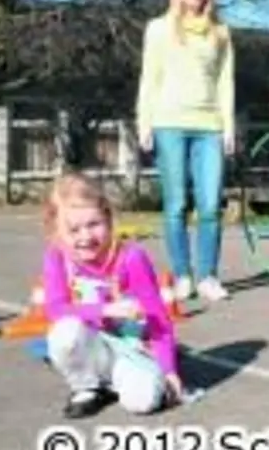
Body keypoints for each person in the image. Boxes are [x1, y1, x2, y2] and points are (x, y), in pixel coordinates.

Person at [39, 172, 187, 418]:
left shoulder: (131, 257)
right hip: (93, 344)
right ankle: (86, 386)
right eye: (74, 229)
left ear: (108, 219)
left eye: (94, 224)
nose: (86, 236)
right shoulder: (57, 256)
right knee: (64, 333)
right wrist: (105, 310)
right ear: (57, 231)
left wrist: (169, 371)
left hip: (130, 347)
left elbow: (158, 317)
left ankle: (117, 382)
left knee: (144, 401)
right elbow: (55, 309)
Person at [135, 0, 236, 303]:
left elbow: (225, 81)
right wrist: (144, 122)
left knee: (209, 205)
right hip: (170, 123)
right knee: (176, 204)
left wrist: (228, 127)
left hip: (209, 126)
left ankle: (208, 275)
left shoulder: (220, 32)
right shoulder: (159, 28)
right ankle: (182, 275)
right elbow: (150, 78)